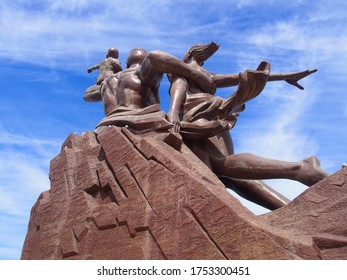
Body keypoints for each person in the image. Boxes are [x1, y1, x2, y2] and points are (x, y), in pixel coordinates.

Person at [167, 42, 328, 210]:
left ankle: (298, 168)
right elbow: (240, 77)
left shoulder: (180, 76)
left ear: (187, 55)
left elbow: (177, 94)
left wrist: (172, 113)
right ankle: (290, 210)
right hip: (216, 121)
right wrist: (285, 76)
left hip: (200, 123)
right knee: (232, 177)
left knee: (222, 165)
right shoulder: (208, 76)